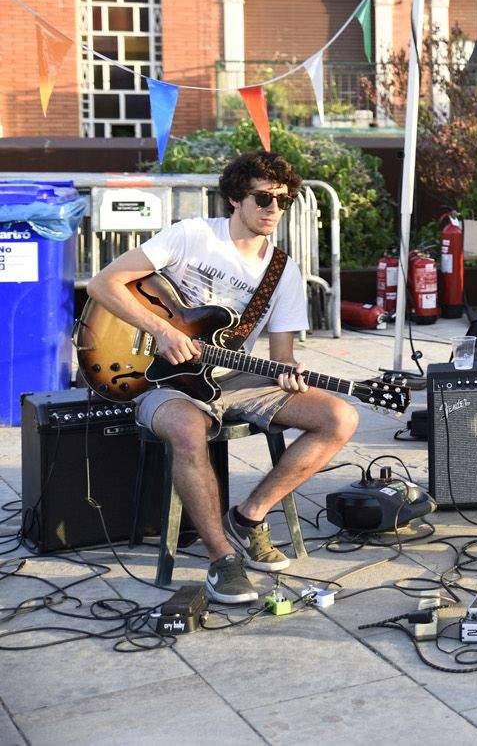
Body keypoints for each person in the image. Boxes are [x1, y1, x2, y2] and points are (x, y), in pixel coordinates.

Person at [85, 151, 357, 605]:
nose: (273, 210)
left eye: (283, 202)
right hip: (158, 379)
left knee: (340, 417)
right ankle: (221, 558)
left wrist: (288, 374)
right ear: (235, 197)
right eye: (264, 198)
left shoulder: (281, 270)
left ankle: (248, 518)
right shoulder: (192, 235)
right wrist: (163, 331)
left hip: (231, 379)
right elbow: (103, 284)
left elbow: (281, 356)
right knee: (190, 431)